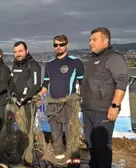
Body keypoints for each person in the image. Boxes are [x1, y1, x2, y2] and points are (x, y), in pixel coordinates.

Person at [81, 27, 128, 168]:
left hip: (103, 111)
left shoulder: (113, 57)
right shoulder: (92, 59)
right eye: (90, 40)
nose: (90, 43)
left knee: (102, 148)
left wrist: (115, 106)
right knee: (91, 145)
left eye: (94, 39)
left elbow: (122, 81)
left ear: (105, 41)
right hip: (88, 110)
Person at [38, 35, 84, 160]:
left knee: (71, 130)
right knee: (55, 131)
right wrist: (37, 96)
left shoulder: (76, 62)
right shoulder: (49, 64)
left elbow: (82, 83)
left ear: (67, 45)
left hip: (69, 103)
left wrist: (79, 98)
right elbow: (45, 85)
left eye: (61, 44)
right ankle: (59, 154)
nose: (58, 47)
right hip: (53, 102)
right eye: (55, 45)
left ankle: (72, 155)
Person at [8, 41, 42, 163]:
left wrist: (22, 100)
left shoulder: (32, 64)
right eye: (15, 51)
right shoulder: (15, 65)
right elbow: (11, 82)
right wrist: (8, 95)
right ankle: (20, 155)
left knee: (27, 131)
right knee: (18, 131)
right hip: (15, 103)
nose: (18, 54)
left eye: (20, 51)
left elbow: (36, 85)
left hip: (27, 103)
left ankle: (29, 158)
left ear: (26, 51)